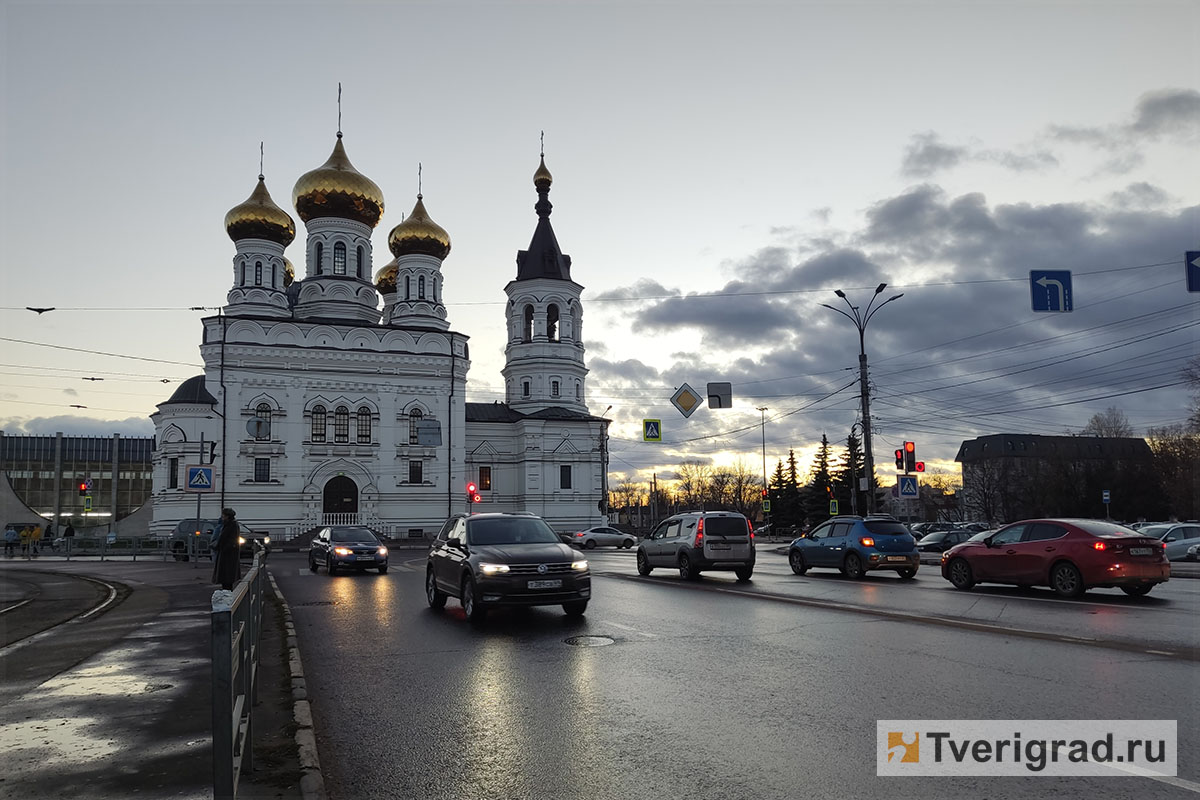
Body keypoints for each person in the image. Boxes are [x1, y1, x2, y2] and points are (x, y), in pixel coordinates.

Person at [210, 508, 242, 590]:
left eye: (223, 516)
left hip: (227, 556)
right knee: (227, 579)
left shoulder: (230, 525)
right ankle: (227, 594)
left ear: (227, 516)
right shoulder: (230, 525)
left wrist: (218, 546)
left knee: (226, 578)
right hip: (227, 555)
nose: (222, 517)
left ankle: (228, 597)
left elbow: (225, 539)